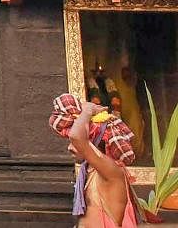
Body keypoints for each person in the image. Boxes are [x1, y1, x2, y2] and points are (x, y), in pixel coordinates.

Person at [49, 93, 139, 226]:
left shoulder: (112, 171)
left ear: (95, 144)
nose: (70, 148)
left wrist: (88, 110)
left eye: (75, 144)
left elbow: (76, 136)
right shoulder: (90, 171)